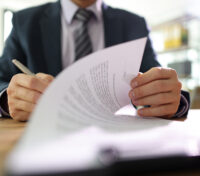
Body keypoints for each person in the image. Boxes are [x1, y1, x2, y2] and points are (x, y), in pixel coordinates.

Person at [0, 0, 189, 121]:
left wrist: (172, 98)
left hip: (117, 137)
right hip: (42, 137)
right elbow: (2, 79)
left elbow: (156, 79)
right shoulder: (24, 21)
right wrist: (7, 99)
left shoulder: (134, 24)